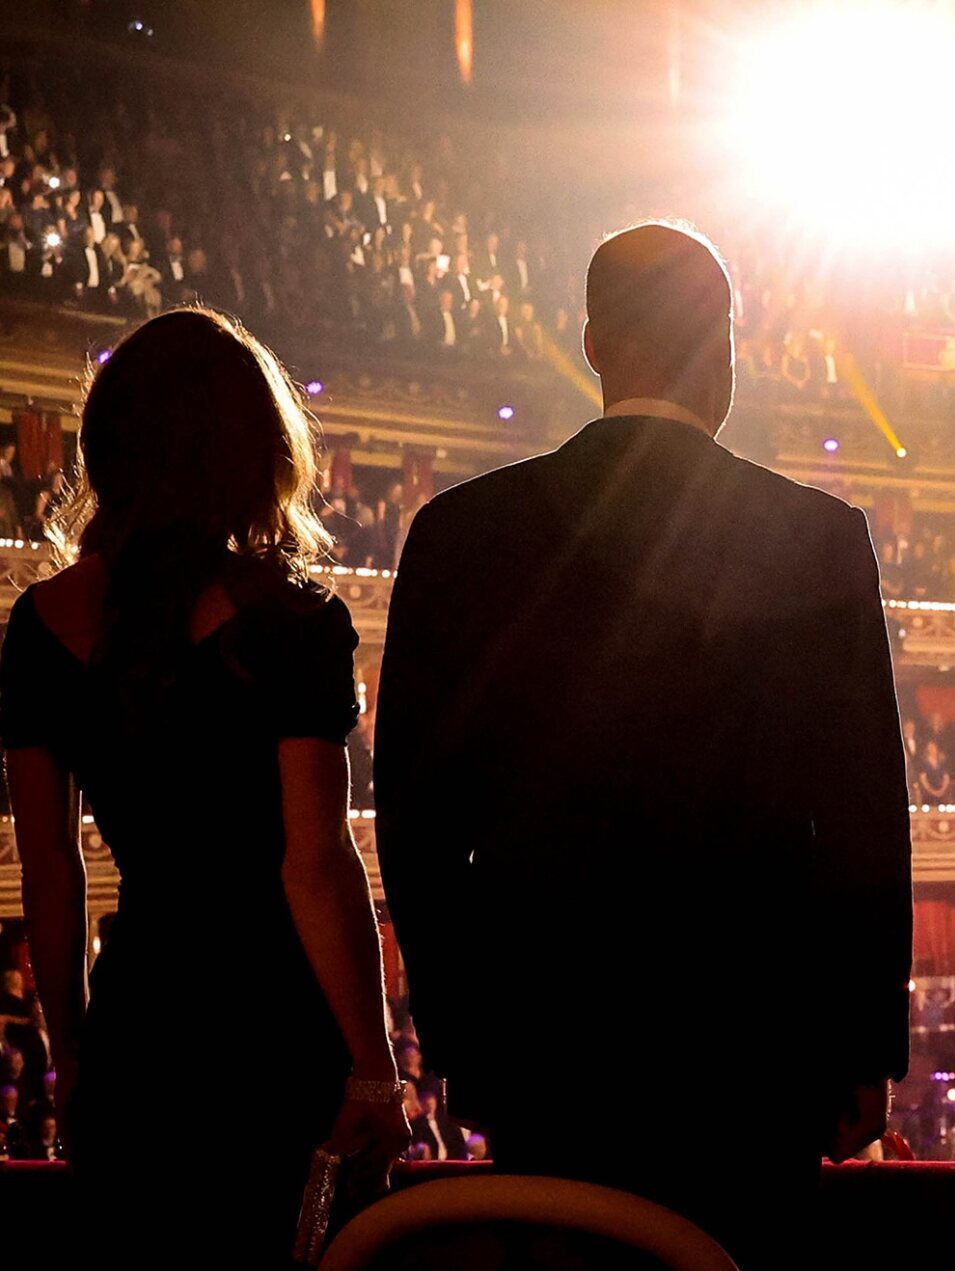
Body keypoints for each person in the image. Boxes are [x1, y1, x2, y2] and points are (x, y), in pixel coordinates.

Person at [375, 221, 913, 1269]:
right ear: (722, 352)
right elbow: (859, 816)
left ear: (591, 344)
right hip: (757, 1054)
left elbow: (414, 814)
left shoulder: (456, 534)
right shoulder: (815, 535)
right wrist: (861, 1046)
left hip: (544, 1048)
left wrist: (461, 1033)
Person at [0, 307, 408, 1266]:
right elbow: (313, 862)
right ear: (253, 448)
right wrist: (373, 1068)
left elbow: (51, 876)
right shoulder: (293, 620)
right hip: (276, 1029)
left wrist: (72, 1059)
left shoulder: (40, 624)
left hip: (143, 1022)